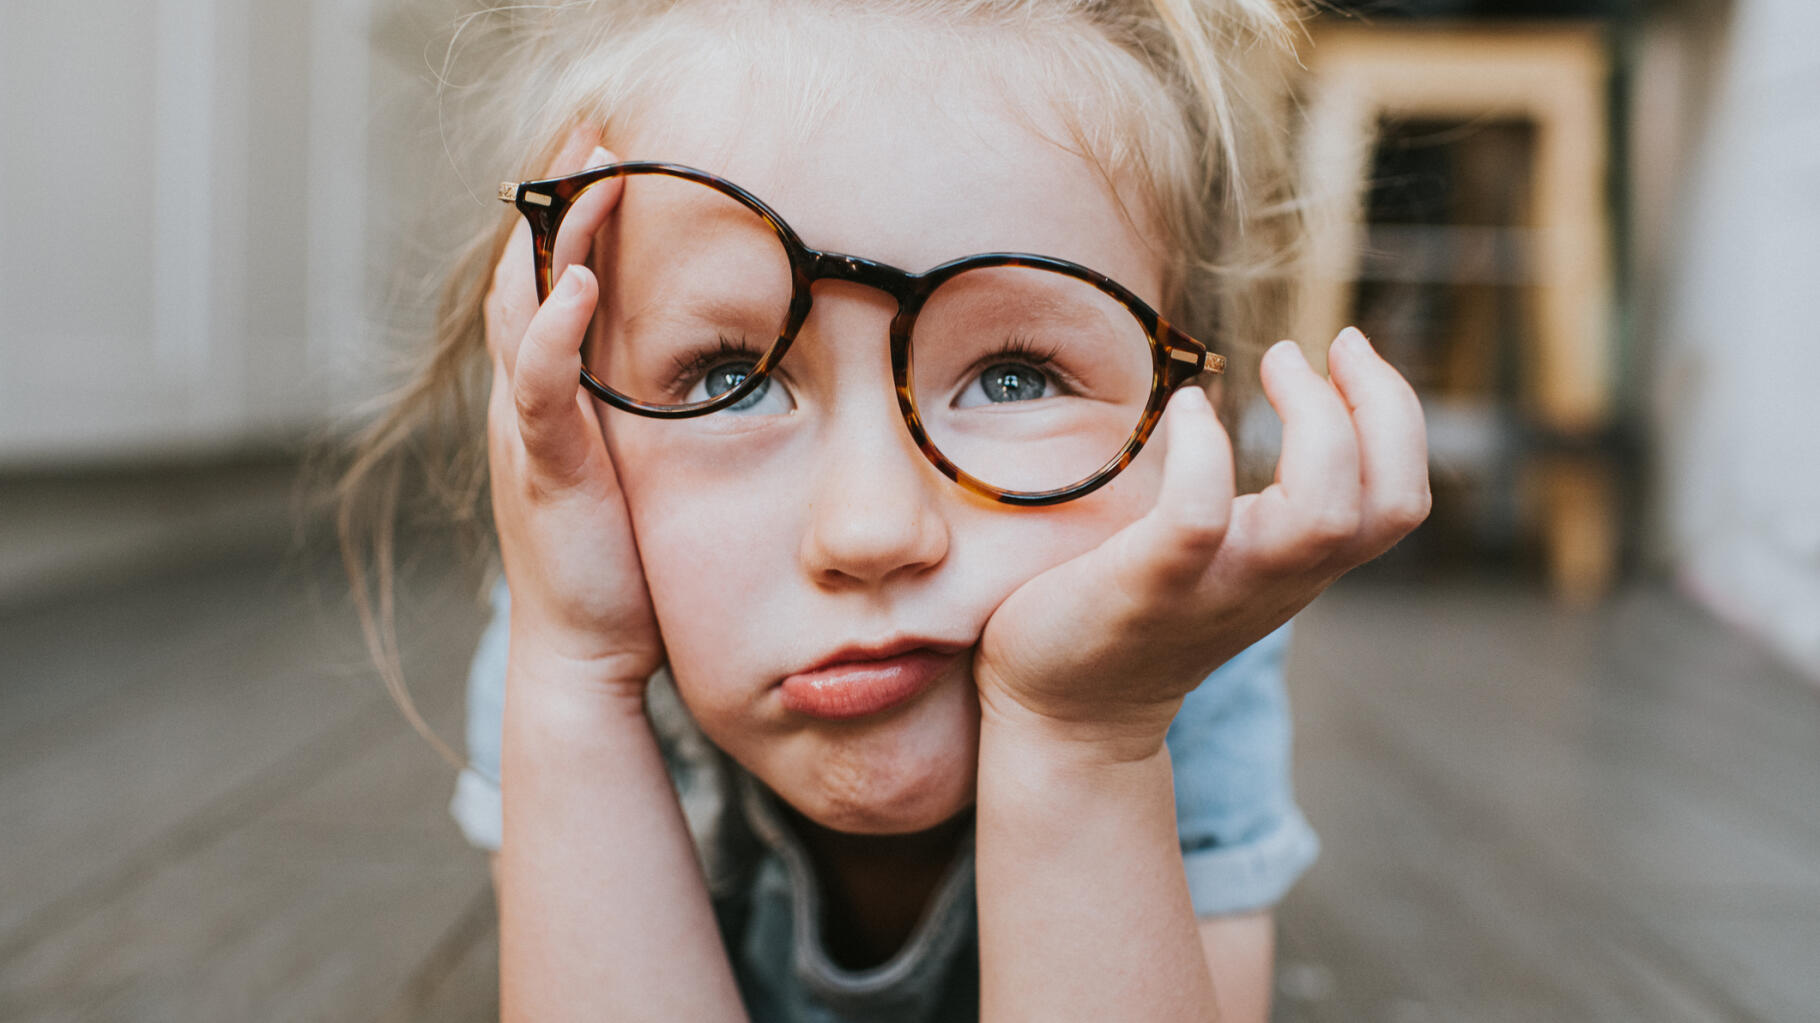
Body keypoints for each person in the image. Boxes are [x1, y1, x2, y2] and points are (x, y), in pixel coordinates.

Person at [342, 1, 1431, 1019]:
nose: (869, 531)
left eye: (1011, 376)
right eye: (728, 376)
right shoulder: (574, 637)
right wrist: (575, 675)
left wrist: (1083, 742)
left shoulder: (1184, 658)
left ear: (1187, 419)